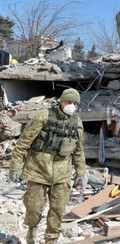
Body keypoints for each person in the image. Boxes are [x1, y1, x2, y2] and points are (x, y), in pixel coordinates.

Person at [9, 88, 85, 244]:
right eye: (68, 102)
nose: (71, 105)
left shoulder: (76, 122)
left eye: (74, 103)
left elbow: (79, 150)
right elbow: (23, 142)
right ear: (61, 102)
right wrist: (15, 167)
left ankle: (51, 239)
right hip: (38, 169)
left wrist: (80, 174)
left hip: (62, 173)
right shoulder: (44, 116)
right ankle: (31, 229)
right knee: (34, 207)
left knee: (58, 210)